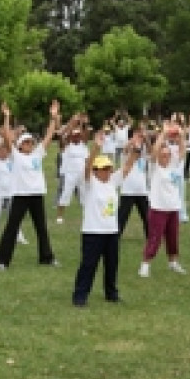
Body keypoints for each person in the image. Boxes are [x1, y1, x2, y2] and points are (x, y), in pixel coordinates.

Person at [72, 132, 139, 306]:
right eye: (103, 169)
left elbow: (127, 167)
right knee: (89, 265)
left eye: (108, 168)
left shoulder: (112, 182)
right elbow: (87, 168)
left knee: (112, 264)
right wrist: (96, 147)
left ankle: (111, 293)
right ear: (96, 171)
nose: (107, 171)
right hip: (93, 232)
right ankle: (80, 296)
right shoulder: (89, 184)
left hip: (111, 231)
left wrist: (136, 149)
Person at [0, 101, 59, 269]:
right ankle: (2, 261)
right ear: (20, 145)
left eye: (31, 142)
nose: (29, 144)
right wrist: (7, 117)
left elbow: (49, 136)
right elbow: (7, 137)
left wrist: (53, 118)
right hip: (20, 195)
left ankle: (46, 257)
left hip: (37, 194)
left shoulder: (37, 154)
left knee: (41, 227)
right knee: (12, 227)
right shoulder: (15, 155)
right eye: (26, 142)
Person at [138, 121, 187, 277]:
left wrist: (180, 135)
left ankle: (173, 262)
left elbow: (182, 150)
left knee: (173, 238)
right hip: (158, 208)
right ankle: (145, 264)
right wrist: (164, 134)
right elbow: (153, 152)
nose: (165, 156)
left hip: (173, 207)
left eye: (167, 154)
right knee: (155, 238)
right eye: (163, 154)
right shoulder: (155, 167)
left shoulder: (174, 165)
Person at [0, 139, 28, 246]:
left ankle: (18, 237)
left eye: (6, 151)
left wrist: (10, 139)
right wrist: (2, 139)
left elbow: (15, 149)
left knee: (14, 216)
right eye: (1, 151)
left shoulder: (11, 161)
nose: (4, 153)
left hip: (11, 193)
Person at [56, 114, 89, 224]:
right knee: (66, 194)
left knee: (84, 195)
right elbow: (63, 136)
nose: (77, 137)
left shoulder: (83, 146)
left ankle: (87, 215)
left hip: (82, 174)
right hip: (70, 174)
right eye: (75, 136)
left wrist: (82, 123)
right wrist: (73, 122)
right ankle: (60, 216)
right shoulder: (67, 146)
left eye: (78, 135)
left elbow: (85, 134)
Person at [117, 129, 150, 239]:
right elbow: (126, 149)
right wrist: (133, 141)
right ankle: (115, 236)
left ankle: (150, 236)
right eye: (137, 136)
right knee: (122, 216)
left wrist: (145, 139)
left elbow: (150, 150)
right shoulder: (126, 154)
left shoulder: (144, 154)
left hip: (142, 191)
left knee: (147, 216)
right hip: (128, 190)